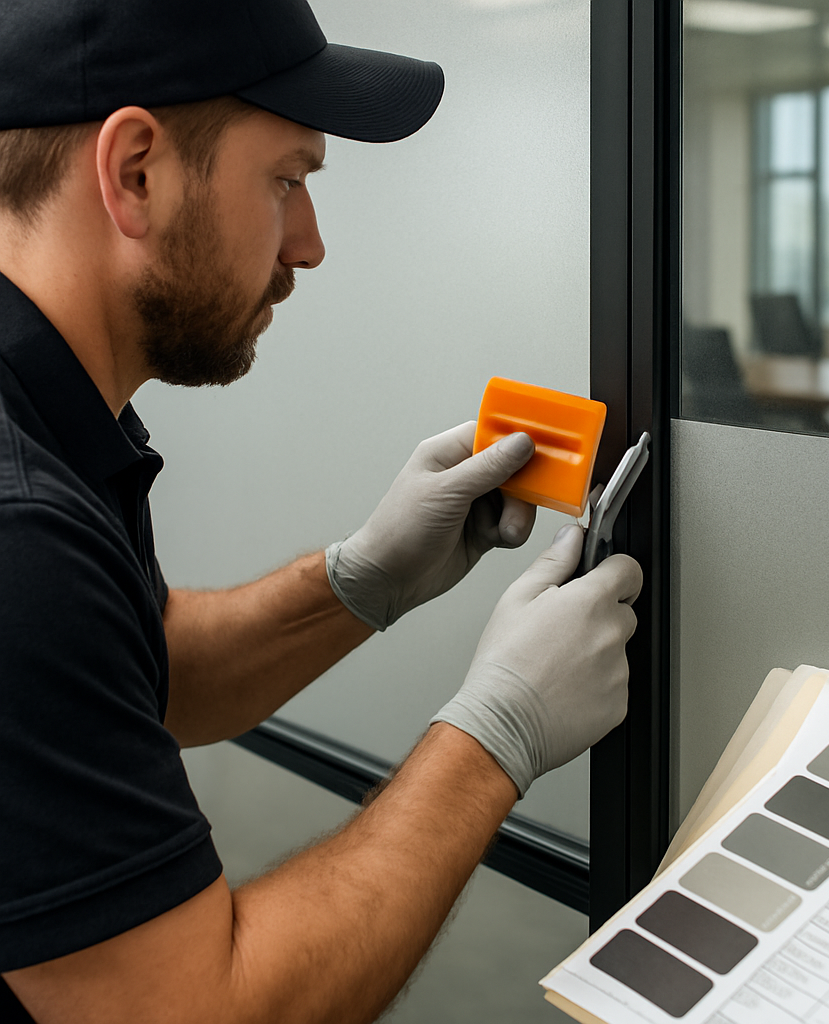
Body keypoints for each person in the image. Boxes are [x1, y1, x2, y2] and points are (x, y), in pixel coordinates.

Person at [0, 1, 643, 1022]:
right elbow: (198, 1012)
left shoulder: (52, 423)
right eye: (288, 181)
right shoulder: (20, 530)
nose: (310, 246)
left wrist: (361, 580)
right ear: (135, 173)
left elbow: (138, 673)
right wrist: (497, 730)